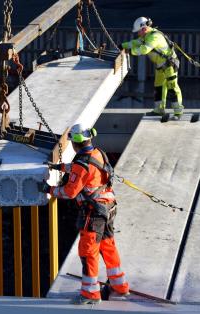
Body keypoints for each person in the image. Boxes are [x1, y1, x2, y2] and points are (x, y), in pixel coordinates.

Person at [37, 123, 129, 305]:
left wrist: (49, 189)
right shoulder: (98, 153)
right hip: (108, 207)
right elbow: (84, 169)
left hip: (93, 213)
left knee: (88, 252)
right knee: (107, 246)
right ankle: (120, 286)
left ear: (74, 143)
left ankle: (90, 294)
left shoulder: (82, 164)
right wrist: (60, 167)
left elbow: (70, 192)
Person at [120, 17, 183, 119]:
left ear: (144, 29)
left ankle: (178, 112)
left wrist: (129, 51)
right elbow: (135, 42)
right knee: (159, 88)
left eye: (138, 31)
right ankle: (159, 110)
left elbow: (144, 49)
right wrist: (122, 46)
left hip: (169, 65)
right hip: (161, 65)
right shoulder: (147, 35)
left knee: (172, 88)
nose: (137, 34)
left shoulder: (154, 37)